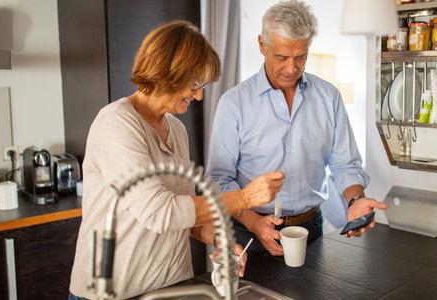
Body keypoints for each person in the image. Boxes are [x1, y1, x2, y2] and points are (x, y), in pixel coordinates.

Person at [68, 20, 285, 300]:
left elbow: (185, 214)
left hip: (171, 288)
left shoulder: (176, 129)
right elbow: (161, 212)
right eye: (194, 84)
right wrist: (243, 198)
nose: (199, 95)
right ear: (166, 72)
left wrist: (219, 238)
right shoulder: (116, 123)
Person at [206, 0, 388, 258]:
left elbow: (346, 164)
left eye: (300, 57)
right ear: (262, 45)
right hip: (249, 233)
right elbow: (218, 181)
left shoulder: (329, 97)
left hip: (311, 230)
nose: (291, 68)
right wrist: (254, 223)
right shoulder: (233, 104)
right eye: (281, 57)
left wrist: (356, 200)